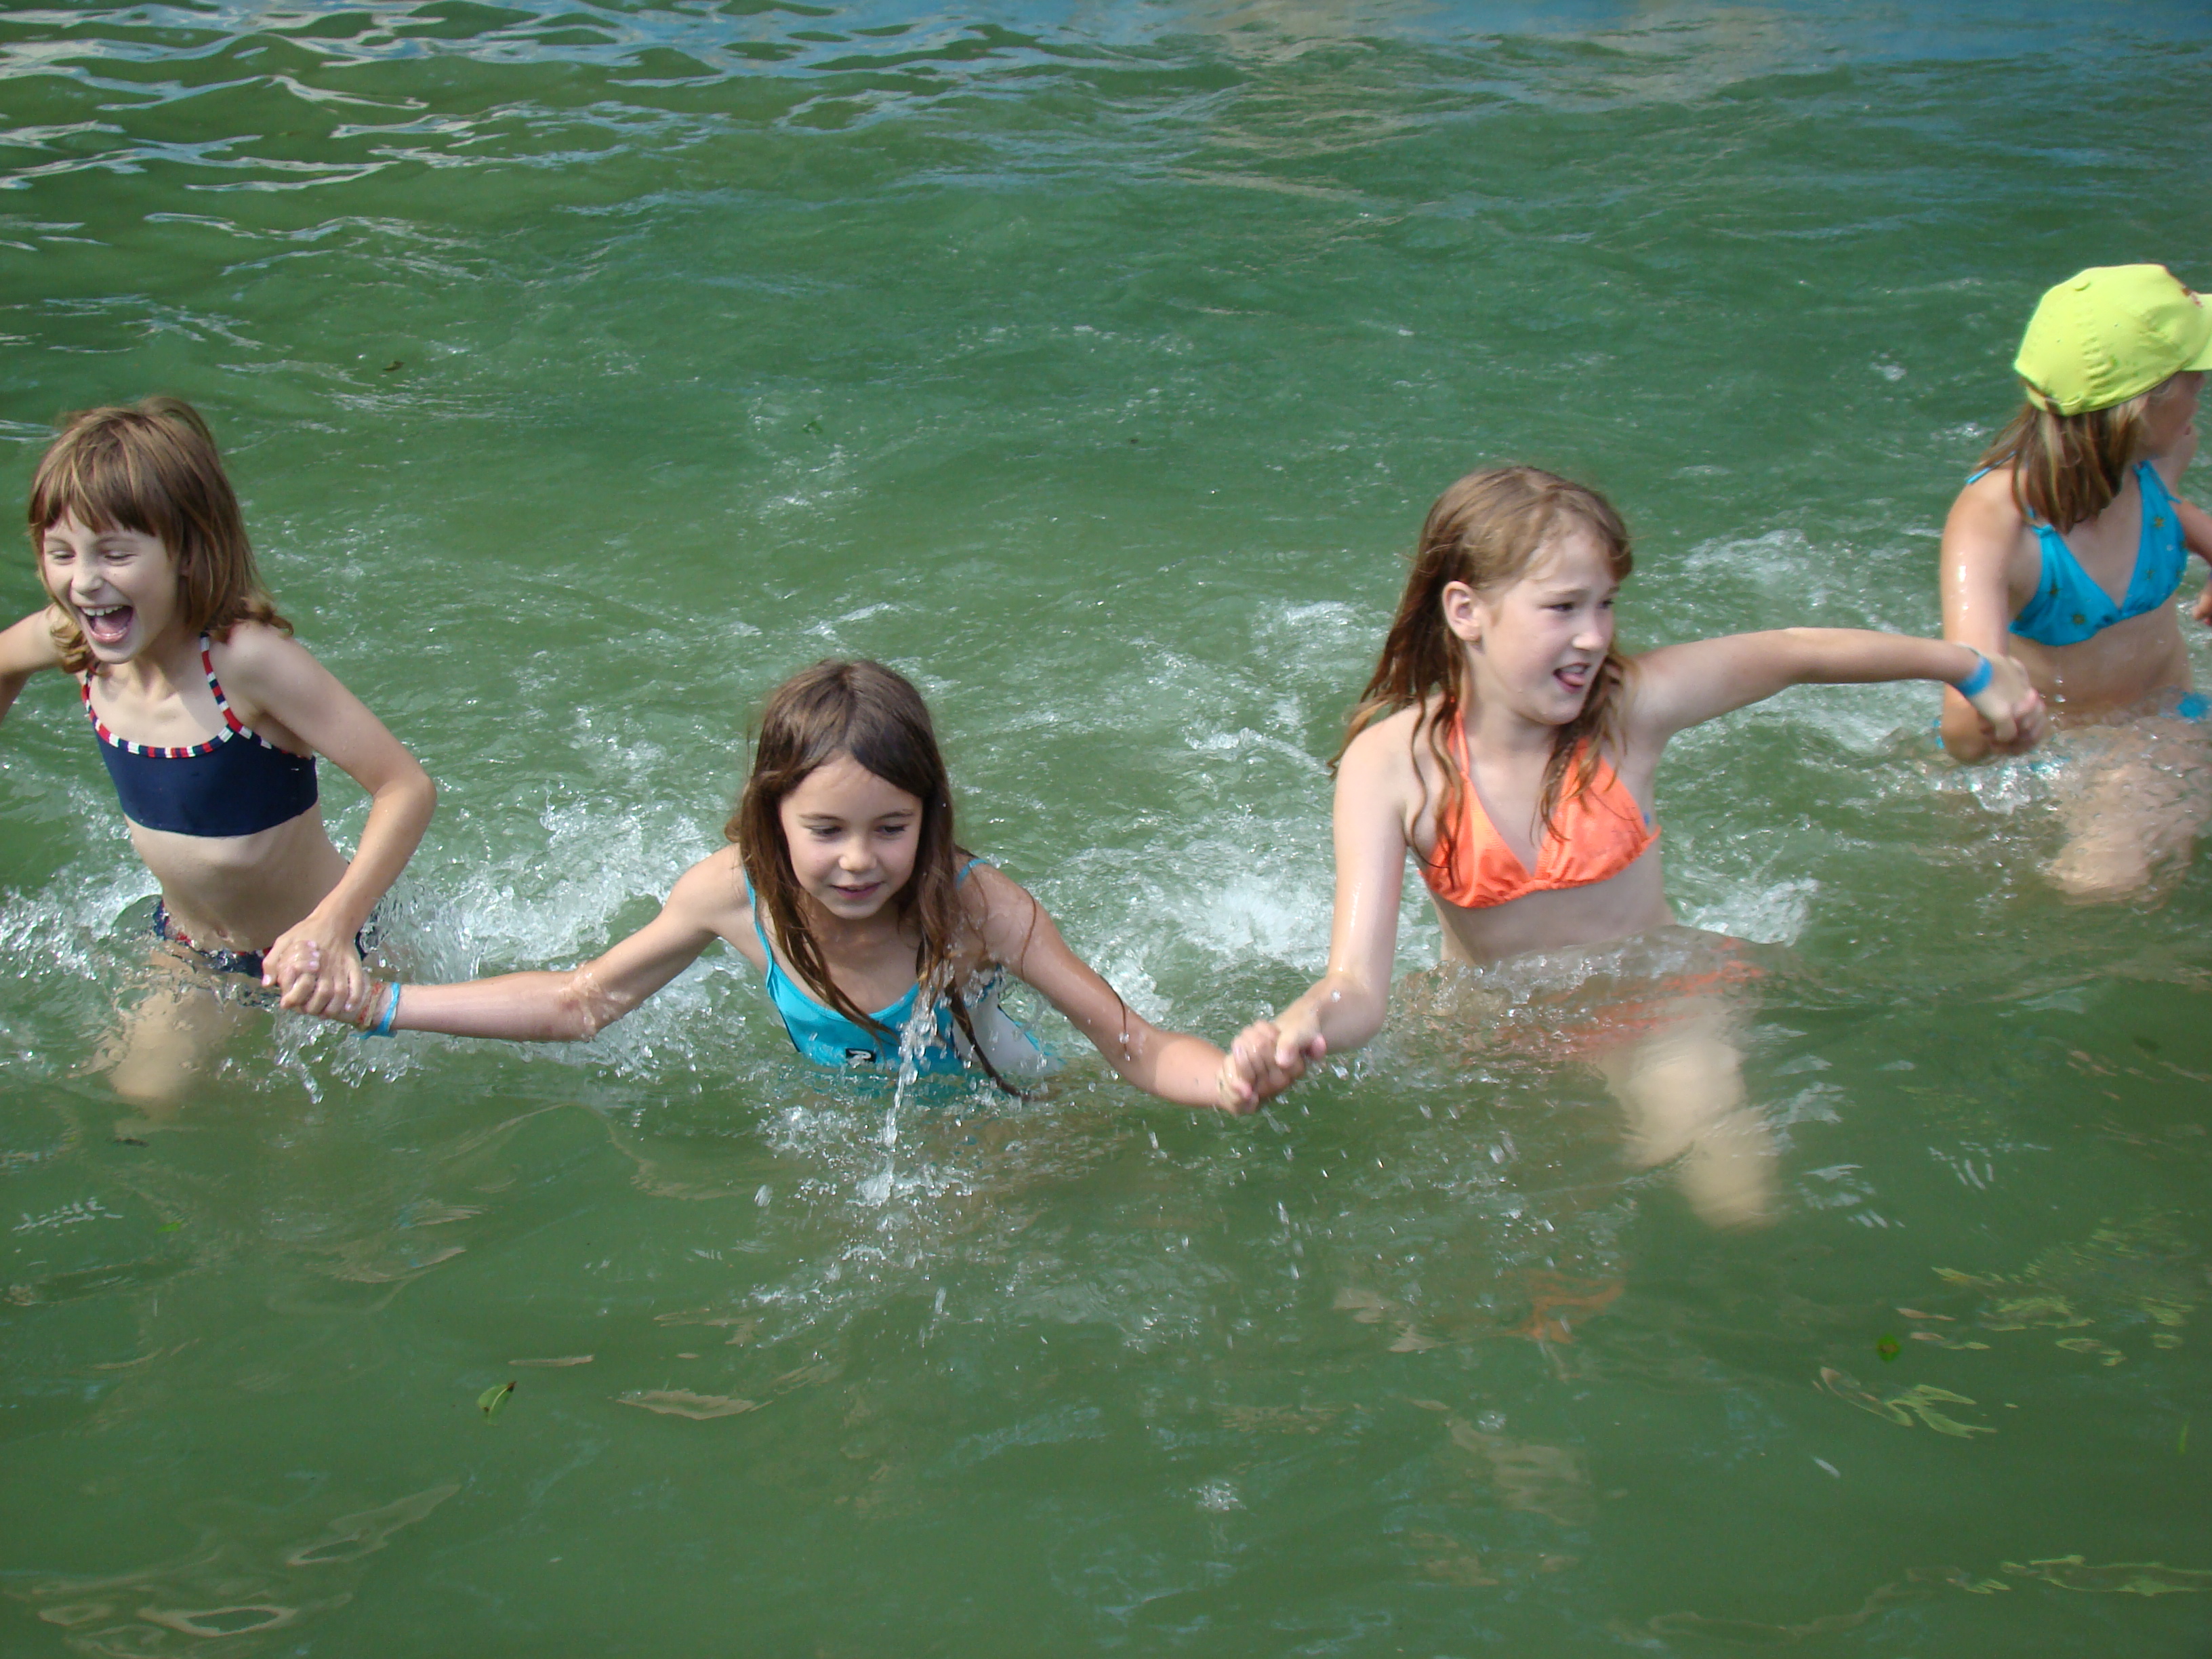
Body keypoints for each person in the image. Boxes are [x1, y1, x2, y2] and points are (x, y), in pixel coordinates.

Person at [1218, 466, 2043, 1225]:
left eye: (1606, 604)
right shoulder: (1393, 764)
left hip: (1660, 1010)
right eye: (1563, 607)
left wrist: (1972, 668)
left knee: (1738, 1207)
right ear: (1466, 611)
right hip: (1500, 1039)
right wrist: (1299, 1026)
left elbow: (1796, 654)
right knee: (1550, 1232)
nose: (1594, 636)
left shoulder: (1630, 711)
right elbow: (1357, 987)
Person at [300, 659, 1239, 1109]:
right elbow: (582, 1003)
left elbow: (1133, 1045)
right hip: (843, 1120)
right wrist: (383, 1004)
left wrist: (1229, 1079)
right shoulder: (729, 895)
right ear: (771, 818)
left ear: (931, 818)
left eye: (891, 829)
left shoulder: (978, 909)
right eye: (825, 831)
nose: (858, 860)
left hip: (1007, 1118)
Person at [0, 398, 436, 1105]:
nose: (83, 581)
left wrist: (333, 926)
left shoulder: (247, 664)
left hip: (327, 949)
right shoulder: (77, 642)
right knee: (140, 1100)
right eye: (61, 553)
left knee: (331, 1136)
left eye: (115, 553)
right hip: (193, 951)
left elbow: (405, 788)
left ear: (186, 550)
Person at [1940, 263, 2212, 899]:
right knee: (2101, 891)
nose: (2203, 387)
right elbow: (1963, 727)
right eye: (2193, 376)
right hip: (2047, 754)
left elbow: (2171, 513)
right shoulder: (1996, 524)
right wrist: (1992, 714)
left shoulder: (2158, 457)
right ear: (2140, 406)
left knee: (2128, 872)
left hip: (2166, 725)